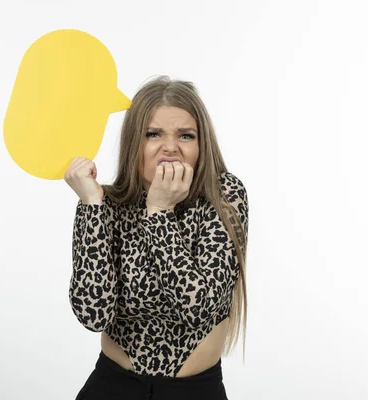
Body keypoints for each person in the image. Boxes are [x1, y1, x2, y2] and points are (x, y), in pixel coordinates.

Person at [64, 76, 249, 400]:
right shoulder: (109, 203)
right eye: (153, 134)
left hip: (193, 391)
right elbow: (93, 314)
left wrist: (160, 211)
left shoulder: (223, 196)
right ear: (135, 142)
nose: (170, 146)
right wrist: (92, 206)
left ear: (201, 145)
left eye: (185, 135)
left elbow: (198, 308)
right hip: (113, 386)